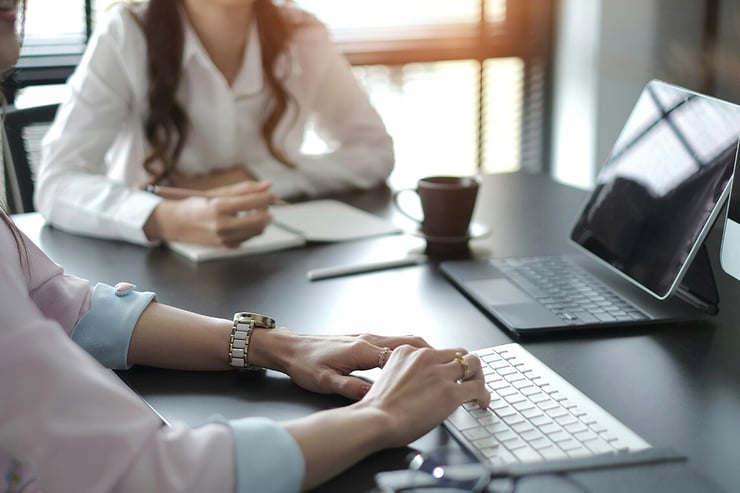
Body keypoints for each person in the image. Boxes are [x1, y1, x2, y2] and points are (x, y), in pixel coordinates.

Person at [1, 5, 488, 491]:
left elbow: (65, 306)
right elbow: (145, 477)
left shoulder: (300, 32)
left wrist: (275, 344)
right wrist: (380, 416)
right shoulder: (130, 29)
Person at [34, 0, 395, 247]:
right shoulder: (126, 33)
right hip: (145, 274)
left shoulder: (302, 34)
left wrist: (253, 177)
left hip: (275, 259)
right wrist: (165, 218)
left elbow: (374, 151)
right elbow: (55, 184)